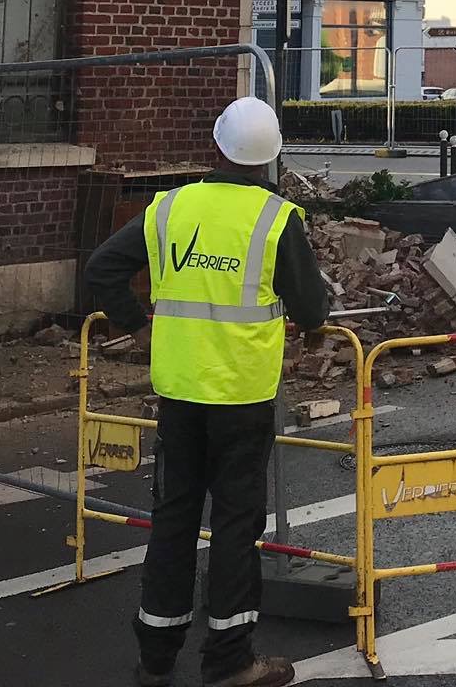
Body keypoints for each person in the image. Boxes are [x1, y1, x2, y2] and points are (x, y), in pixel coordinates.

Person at [84, 96, 332, 687]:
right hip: (242, 398)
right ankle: (228, 661)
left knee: (172, 521)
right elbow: (313, 308)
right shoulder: (278, 220)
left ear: (216, 147)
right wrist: (310, 324)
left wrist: (133, 322)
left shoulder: (168, 209)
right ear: (270, 160)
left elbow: (102, 270)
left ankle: (156, 658)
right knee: (236, 526)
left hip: (178, 393)